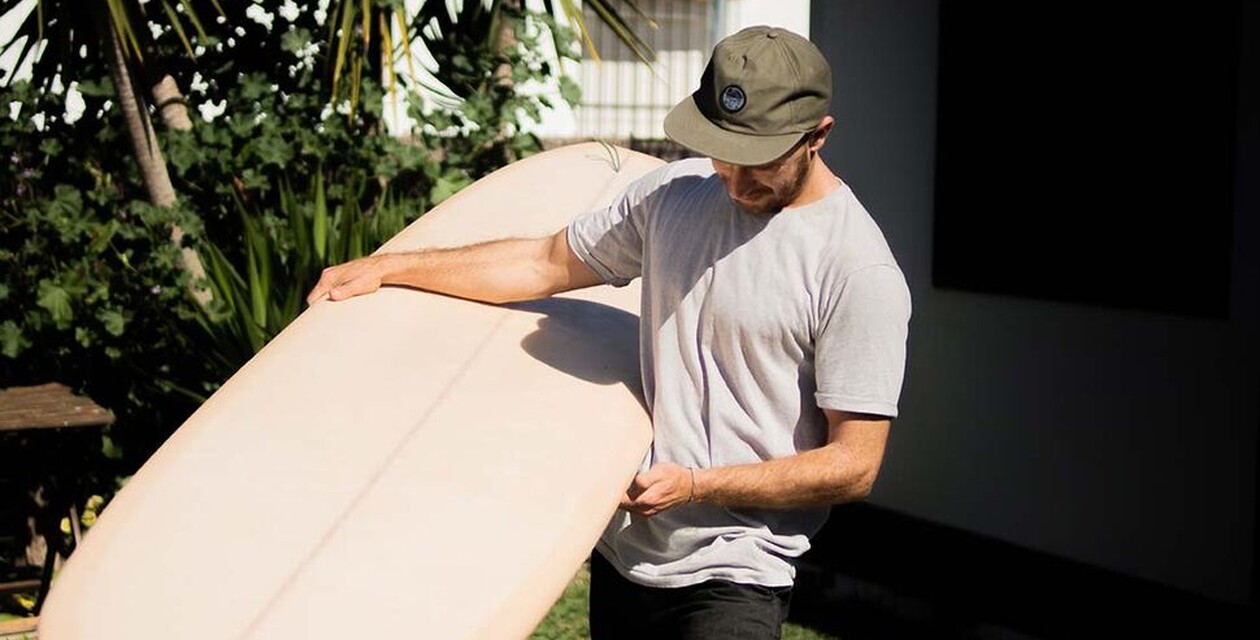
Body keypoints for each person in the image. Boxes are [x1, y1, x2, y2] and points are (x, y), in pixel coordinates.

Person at [306, 25, 911, 640]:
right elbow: (541, 262)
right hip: (626, 553)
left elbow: (853, 465)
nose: (733, 179)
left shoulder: (855, 271)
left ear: (818, 136)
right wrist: (391, 267)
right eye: (722, 152)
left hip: (736, 569)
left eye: (758, 160)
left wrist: (698, 485)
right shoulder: (675, 197)